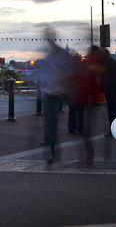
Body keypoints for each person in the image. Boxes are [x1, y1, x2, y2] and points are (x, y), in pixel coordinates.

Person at [38, 27, 75, 163]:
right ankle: (52, 148)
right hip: (49, 92)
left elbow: (68, 72)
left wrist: (63, 87)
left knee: (52, 122)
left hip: (57, 92)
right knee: (49, 122)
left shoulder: (61, 54)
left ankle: (53, 151)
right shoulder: (49, 56)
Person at [101, 49, 116, 136]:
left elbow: (106, 78)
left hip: (111, 91)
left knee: (111, 112)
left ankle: (113, 131)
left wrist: (103, 88)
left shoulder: (106, 65)